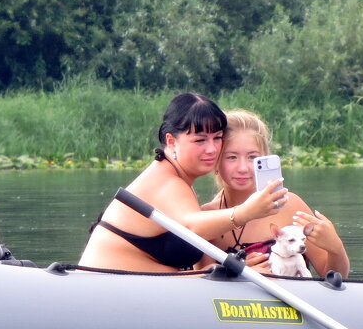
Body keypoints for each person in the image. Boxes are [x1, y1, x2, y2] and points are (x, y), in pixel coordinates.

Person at [79, 94, 289, 272]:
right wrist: (247, 212)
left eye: (217, 138)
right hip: (106, 289)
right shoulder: (166, 182)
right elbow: (192, 227)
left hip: (144, 293)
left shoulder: (177, 181)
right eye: (200, 140)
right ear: (172, 142)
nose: (212, 149)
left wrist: (229, 271)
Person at [202, 110, 350, 277]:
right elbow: (201, 278)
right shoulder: (207, 215)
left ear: (265, 158)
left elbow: (335, 276)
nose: (243, 168)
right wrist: (234, 271)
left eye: (252, 157)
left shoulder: (289, 205)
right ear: (215, 161)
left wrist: (336, 248)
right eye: (231, 157)